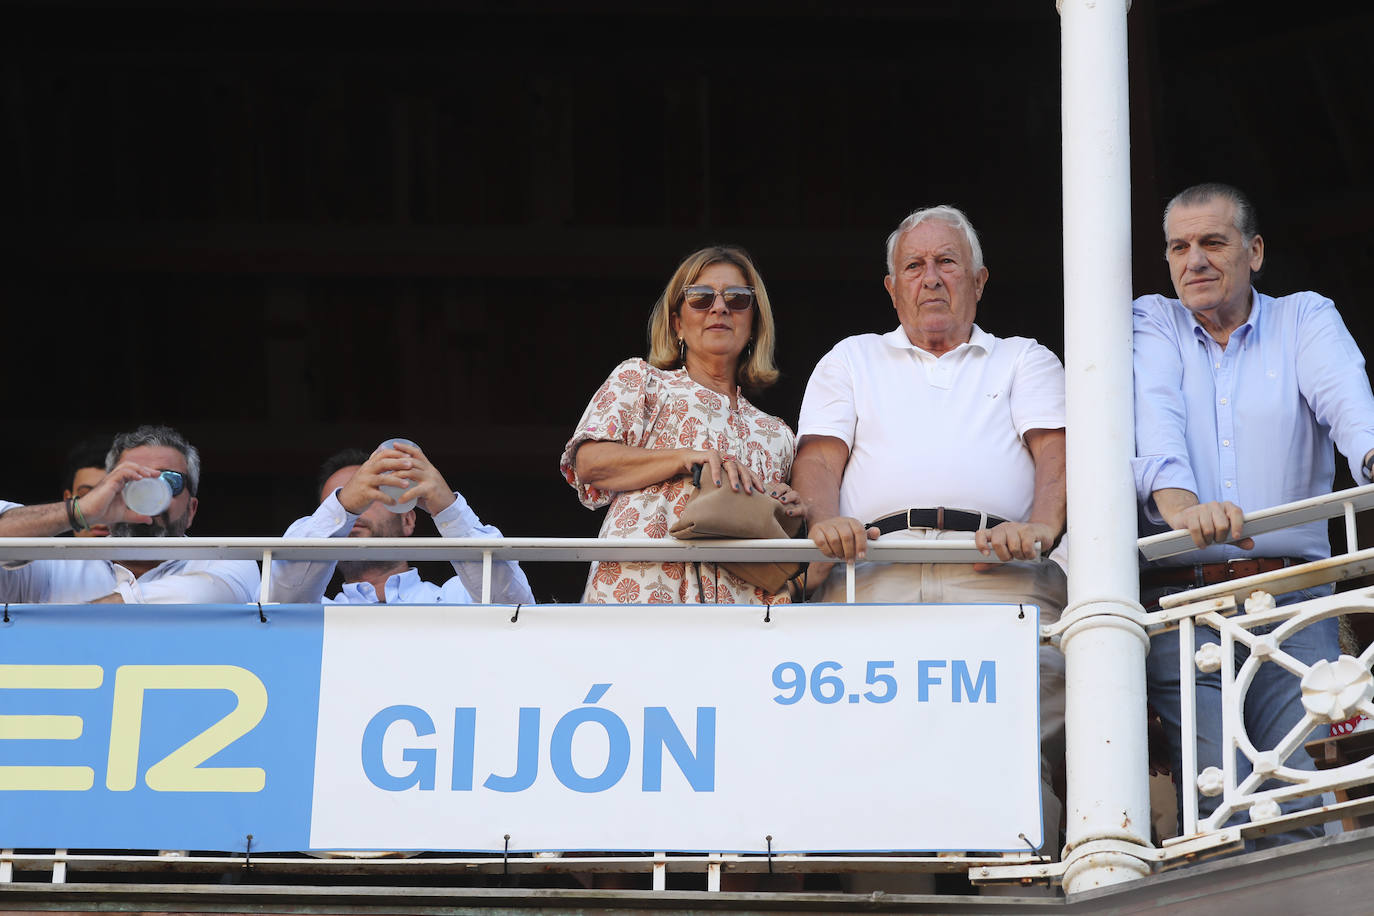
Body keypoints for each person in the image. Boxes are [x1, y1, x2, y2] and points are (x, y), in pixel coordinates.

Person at [792, 205, 1068, 854]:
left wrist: (1041, 525)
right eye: (913, 266)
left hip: (999, 577)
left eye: (947, 262)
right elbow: (817, 463)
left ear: (979, 279)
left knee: (1011, 748)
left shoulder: (1022, 359)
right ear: (892, 288)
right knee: (873, 759)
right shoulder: (852, 359)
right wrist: (825, 524)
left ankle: (1022, 896)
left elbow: (1057, 456)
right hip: (875, 577)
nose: (931, 277)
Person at [1133, 182, 1374, 845]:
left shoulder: (1304, 318)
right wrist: (1184, 509)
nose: (1195, 261)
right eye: (1179, 247)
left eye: (1213, 242)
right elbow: (1155, 420)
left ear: (1255, 251)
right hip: (1188, 612)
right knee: (1221, 802)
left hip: (1295, 608)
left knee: (1299, 799)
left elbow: (1348, 403)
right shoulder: (1151, 321)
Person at [562, 245, 801, 605]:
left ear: (753, 323)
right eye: (700, 298)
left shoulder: (778, 435)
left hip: (743, 615)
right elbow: (589, 464)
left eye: (737, 299)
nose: (719, 307)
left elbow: (781, 539)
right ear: (677, 323)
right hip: (640, 596)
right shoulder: (642, 381)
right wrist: (688, 458)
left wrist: (788, 506)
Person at [0, 425, 260, 604]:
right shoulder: (55, 567)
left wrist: (81, 616)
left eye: (170, 481)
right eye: (131, 478)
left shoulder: (224, 561)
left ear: (191, 510)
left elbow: (205, 595)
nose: (151, 491)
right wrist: (83, 510)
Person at [270, 441, 533, 605]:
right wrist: (343, 508)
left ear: (408, 520)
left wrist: (448, 510)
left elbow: (513, 609)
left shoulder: (457, 598)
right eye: (342, 505)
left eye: (369, 495)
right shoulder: (315, 612)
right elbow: (282, 598)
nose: (354, 511)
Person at [63, 438, 112, 537]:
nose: (99, 513)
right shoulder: (40, 551)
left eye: (113, 497)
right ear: (67, 499)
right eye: (86, 497)